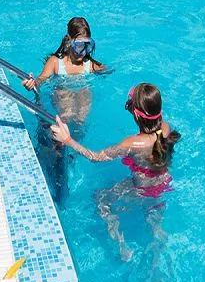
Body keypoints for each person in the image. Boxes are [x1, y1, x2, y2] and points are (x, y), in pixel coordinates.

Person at [51, 82, 180, 261]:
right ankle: (157, 257)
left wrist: (68, 140)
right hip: (163, 185)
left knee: (100, 198)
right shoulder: (166, 128)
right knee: (154, 225)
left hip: (141, 190)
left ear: (136, 114)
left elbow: (96, 157)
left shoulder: (132, 144)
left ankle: (122, 246)